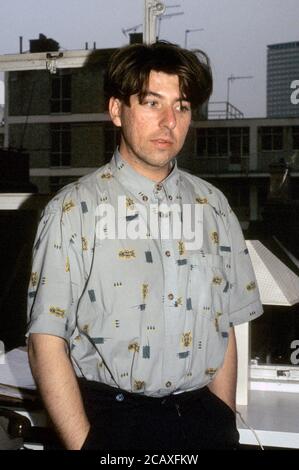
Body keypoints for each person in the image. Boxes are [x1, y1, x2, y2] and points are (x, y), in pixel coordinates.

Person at [27, 41, 263, 451]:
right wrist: (86, 447)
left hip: (203, 423)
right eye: (153, 103)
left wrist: (223, 419)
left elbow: (225, 324)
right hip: (112, 424)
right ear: (117, 110)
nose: (169, 121)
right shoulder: (72, 211)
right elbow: (45, 342)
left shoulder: (214, 208)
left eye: (183, 106)